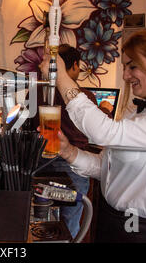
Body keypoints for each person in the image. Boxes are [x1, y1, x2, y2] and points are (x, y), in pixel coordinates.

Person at [52, 30, 146, 243]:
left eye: (132, 66)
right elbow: (107, 168)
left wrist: (61, 77)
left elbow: (104, 133)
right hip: (112, 224)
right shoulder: (138, 112)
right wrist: (69, 152)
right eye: (125, 67)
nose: (125, 76)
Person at [34, 44, 109, 239]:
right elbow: (98, 129)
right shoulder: (83, 96)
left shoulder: (36, 93)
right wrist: (106, 109)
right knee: (70, 224)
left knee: (40, 221)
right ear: (74, 65)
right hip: (72, 165)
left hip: (41, 163)